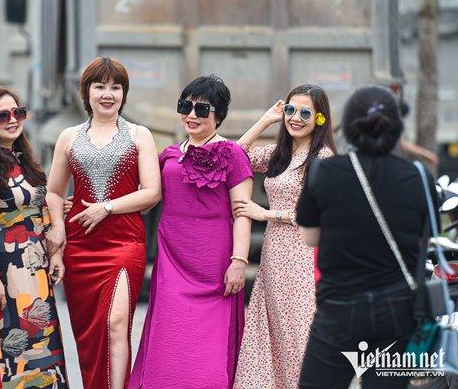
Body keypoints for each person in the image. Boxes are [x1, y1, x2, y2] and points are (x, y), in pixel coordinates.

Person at [296, 86, 437, 389]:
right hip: (398, 311)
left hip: (339, 307)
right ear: (396, 127)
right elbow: (427, 236)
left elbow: (309, 237)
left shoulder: (323, 172)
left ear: (347, 125)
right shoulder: (419, 177)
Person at [129, 75, 253, 389]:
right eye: (186, 106)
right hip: (172, 260)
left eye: (202, 109)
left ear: (220, 115)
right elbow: (142, 197)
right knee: (169, 335)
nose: (192, 115)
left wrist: (239, 261)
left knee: (209, 352)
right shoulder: (169, 154)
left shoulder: (233, 155)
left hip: (215, 264)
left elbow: (242, 212)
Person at [45, 56, 161, 389]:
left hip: (125, 243)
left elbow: (152, 192)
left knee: (117, 321)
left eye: (115, 87)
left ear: (124, 94)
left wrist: (106, 208)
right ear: (87, 92)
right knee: (89, 334)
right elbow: (54, 193)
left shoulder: (140, 135)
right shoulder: (68, 137)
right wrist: (57, 230)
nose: (107, 94)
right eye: (100, 86)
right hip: (79, 247)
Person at [0, 87, 69, 388]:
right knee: (9, 350)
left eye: (18, 113)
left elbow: (43, 210)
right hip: (4, 274)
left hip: (36, 275)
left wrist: (57, 255)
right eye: (4, 115)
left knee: (43, 348)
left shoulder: (24, 160)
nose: (13, 120)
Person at [233, 84, 336, 388]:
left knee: (300, 332)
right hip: (274, 254)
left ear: (319, 119)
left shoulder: (323, 158)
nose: (295, 118)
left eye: (306, 112)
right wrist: (266, 120)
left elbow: (325, 215)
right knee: (273, 332)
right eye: (290, 110)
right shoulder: (281, 153)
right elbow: (237, 156)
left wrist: (267, 215)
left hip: (303, 256)